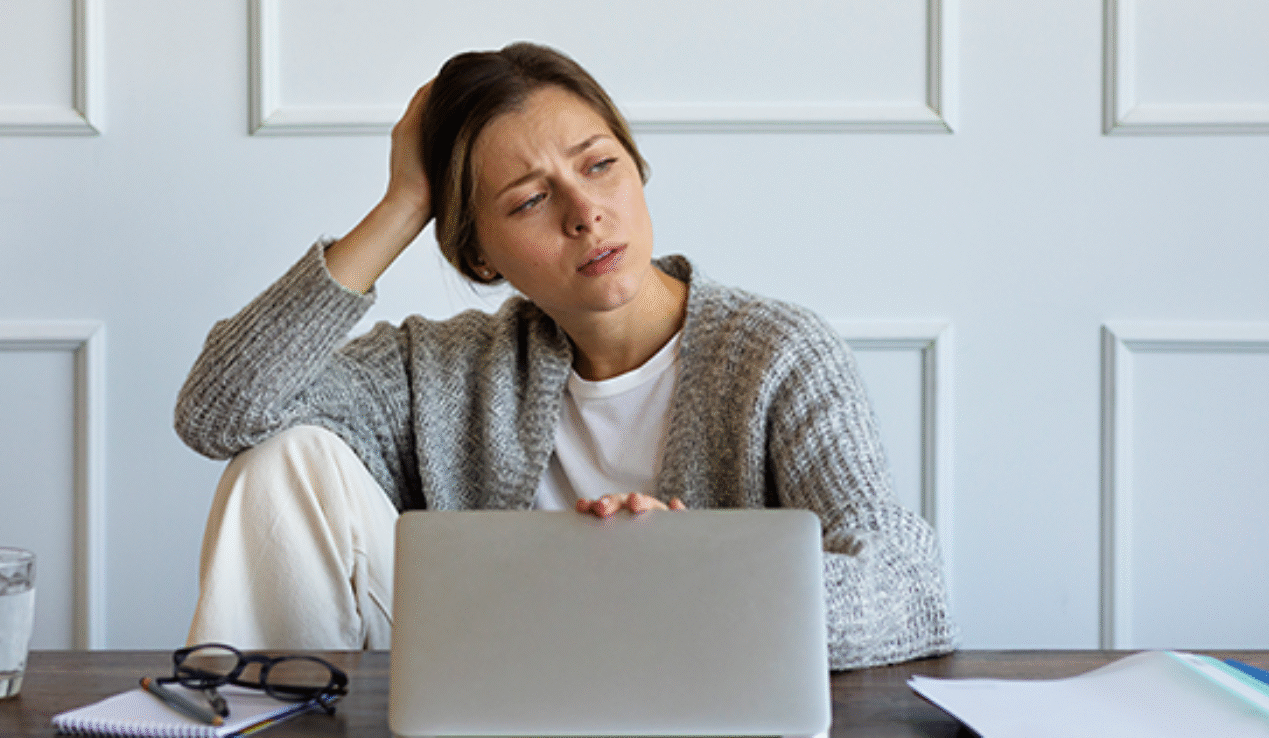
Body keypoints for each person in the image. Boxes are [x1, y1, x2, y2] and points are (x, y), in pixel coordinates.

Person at [175, 42, 956, 669]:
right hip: (493, 692)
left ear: (636, 167)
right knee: (281, 459)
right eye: (529, 199)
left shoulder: (779, 356)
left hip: (693, 701)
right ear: (479, 256)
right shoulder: (439, 370)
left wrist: (699, 578)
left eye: (599, 164)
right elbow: (218, 413)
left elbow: (912, 592)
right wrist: (403, 205)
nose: (586, 213)